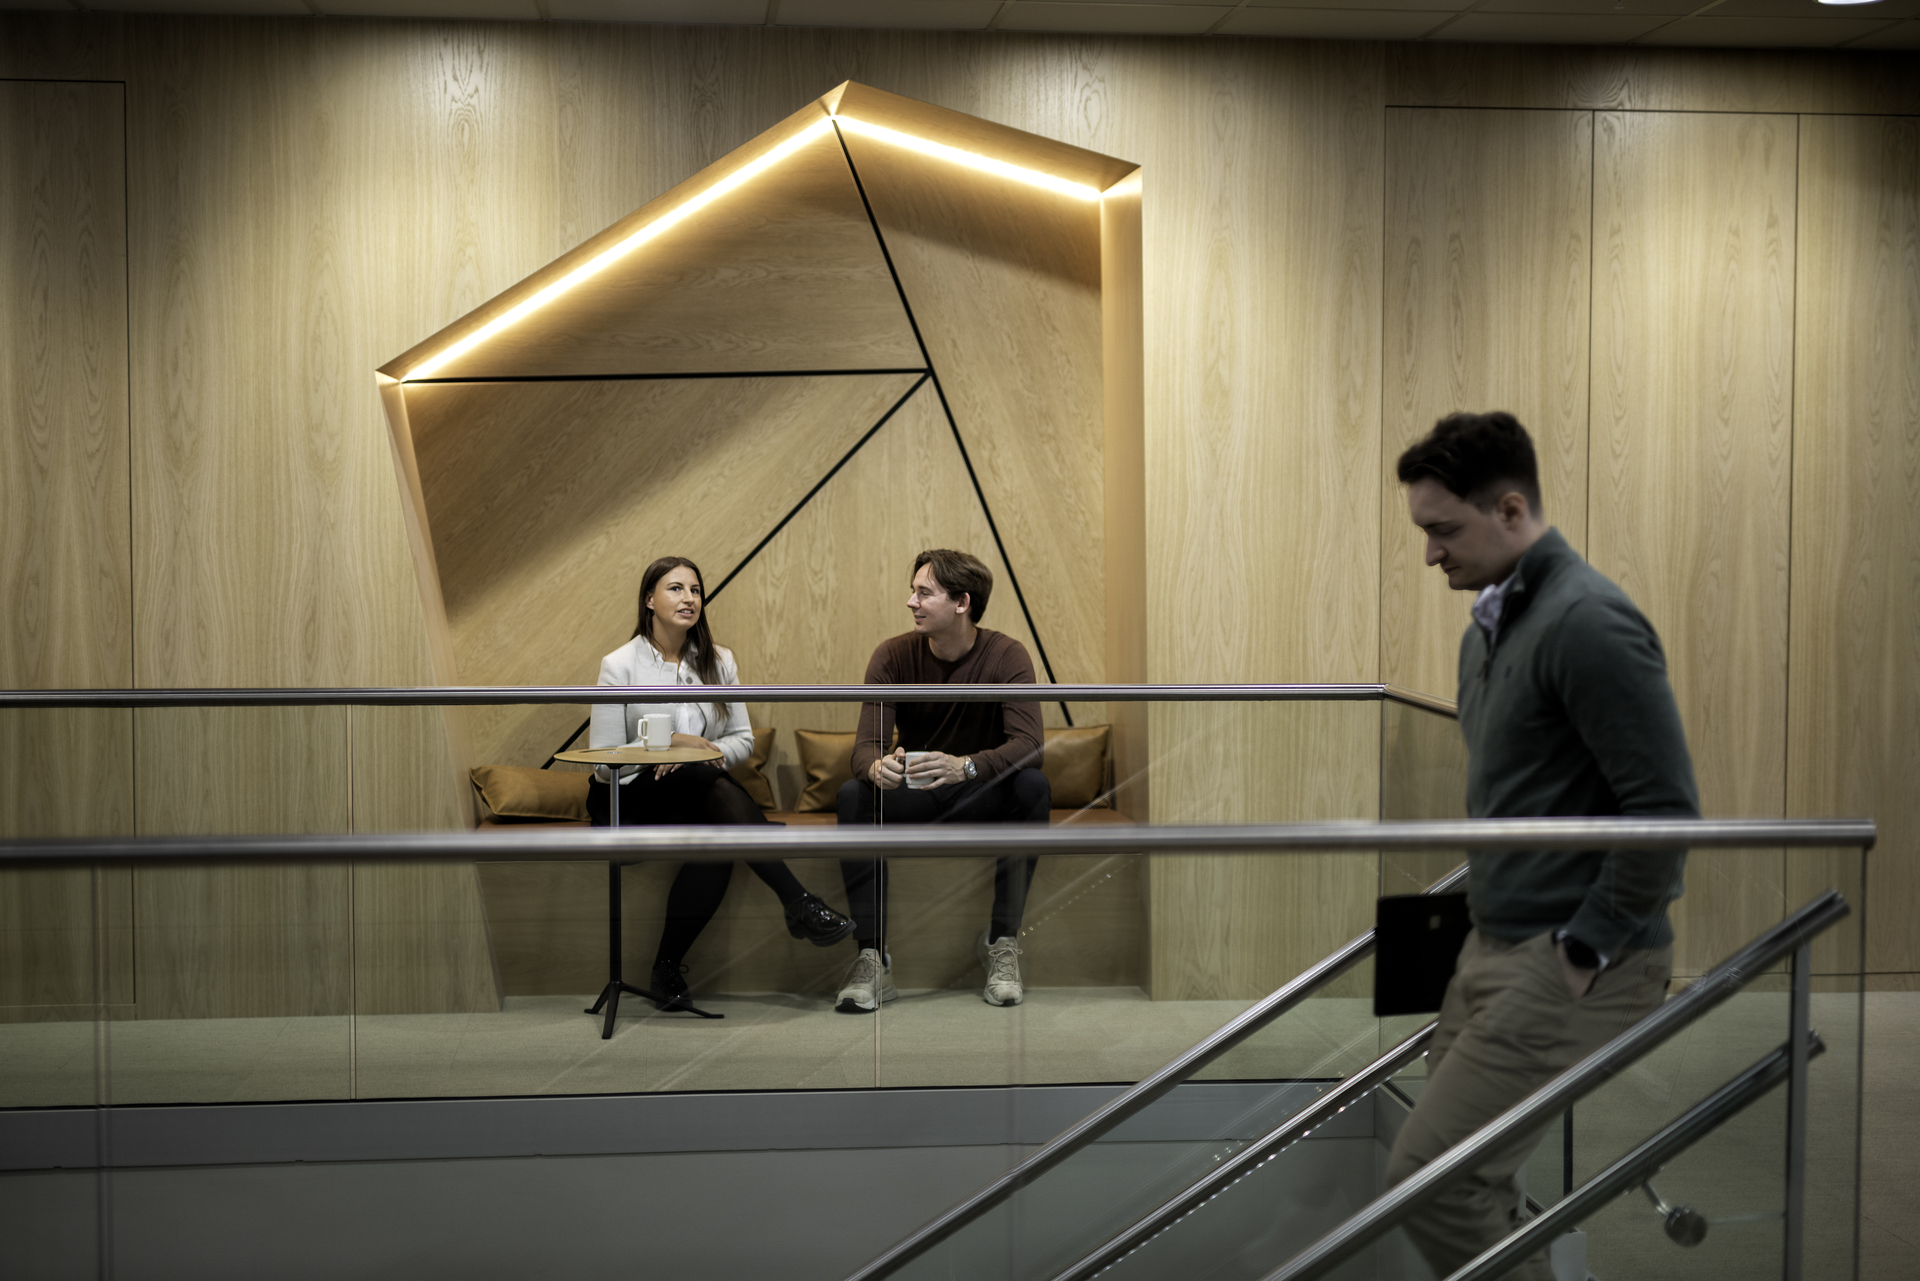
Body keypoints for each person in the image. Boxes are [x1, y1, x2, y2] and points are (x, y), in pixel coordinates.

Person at [1384, 412, 1700, 1280]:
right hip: (1494, 945)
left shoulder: (1589, 621)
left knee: (1431, 1178)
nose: (1430, 554)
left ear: (1512, 508)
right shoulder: (1488, 628)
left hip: (1577, 960)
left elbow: (1666, 809)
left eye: (1443, 530)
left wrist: (1581, 948)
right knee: (1460, 1172)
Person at [588, 555, 854, 1013]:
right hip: (628, 799)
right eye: (675, 589)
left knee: (715, 824)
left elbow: (741, 741)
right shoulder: (619, 665)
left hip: (696, 793)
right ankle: (799, 902)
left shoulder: (718, 661)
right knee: (699, 773)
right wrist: (668, 746)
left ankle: (666, 968)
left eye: (695, 590)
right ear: (649, 600)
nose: (689, 598)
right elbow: (601, 764)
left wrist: (701, 750)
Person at [833, 549, 1050, 1013]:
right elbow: (865, 746)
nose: (911, 601)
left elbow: (1030, 743)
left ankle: (1002, 942)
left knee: (1033, 786)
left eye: (923, 593)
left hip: (980, 792)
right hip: (916, 793)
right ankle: (872, 958)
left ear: (961, 603)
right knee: (853, 796)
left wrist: (965, 766)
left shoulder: (1007, 654)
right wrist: (876, 768)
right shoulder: (891, 655)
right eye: (913, 591)